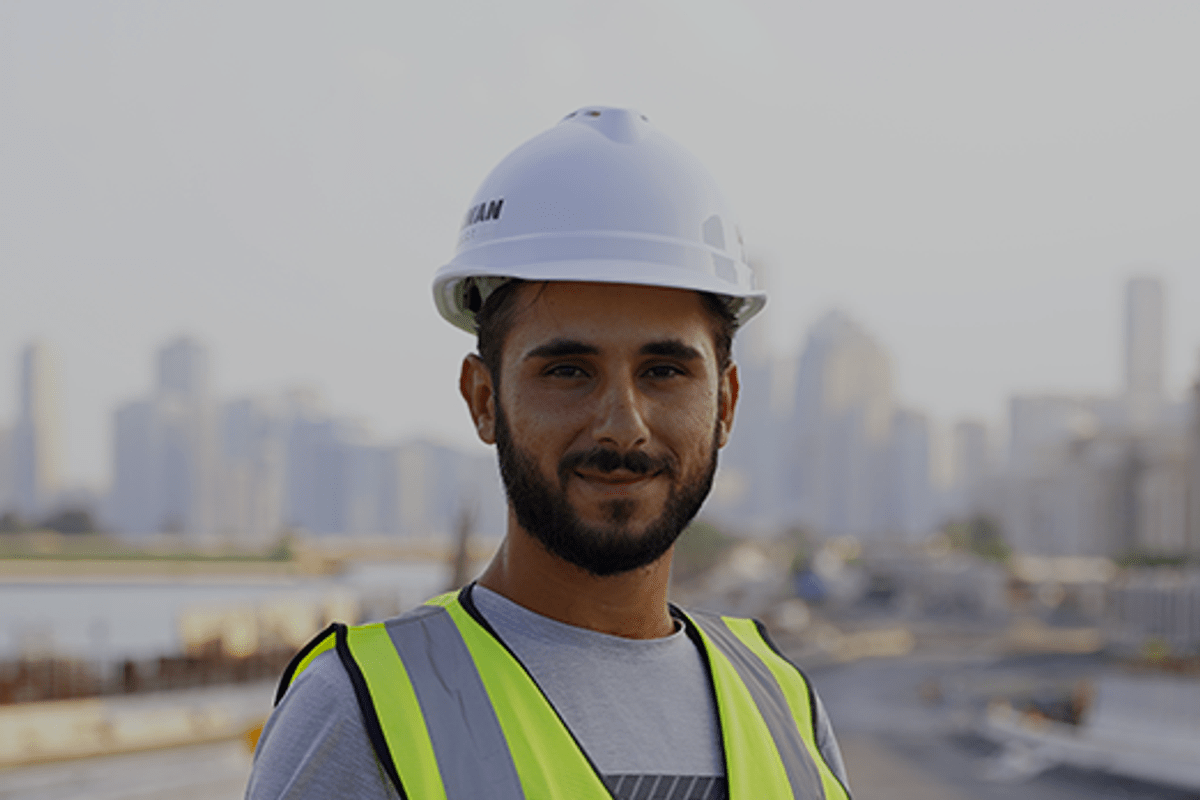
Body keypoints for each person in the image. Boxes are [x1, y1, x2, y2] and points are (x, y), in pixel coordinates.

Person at [247, 107, 851, 800]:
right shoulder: (360, 712)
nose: (623, 426)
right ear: (482, 398)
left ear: (726, 404)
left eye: (664, 371)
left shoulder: (785, 708)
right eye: (568, 371)